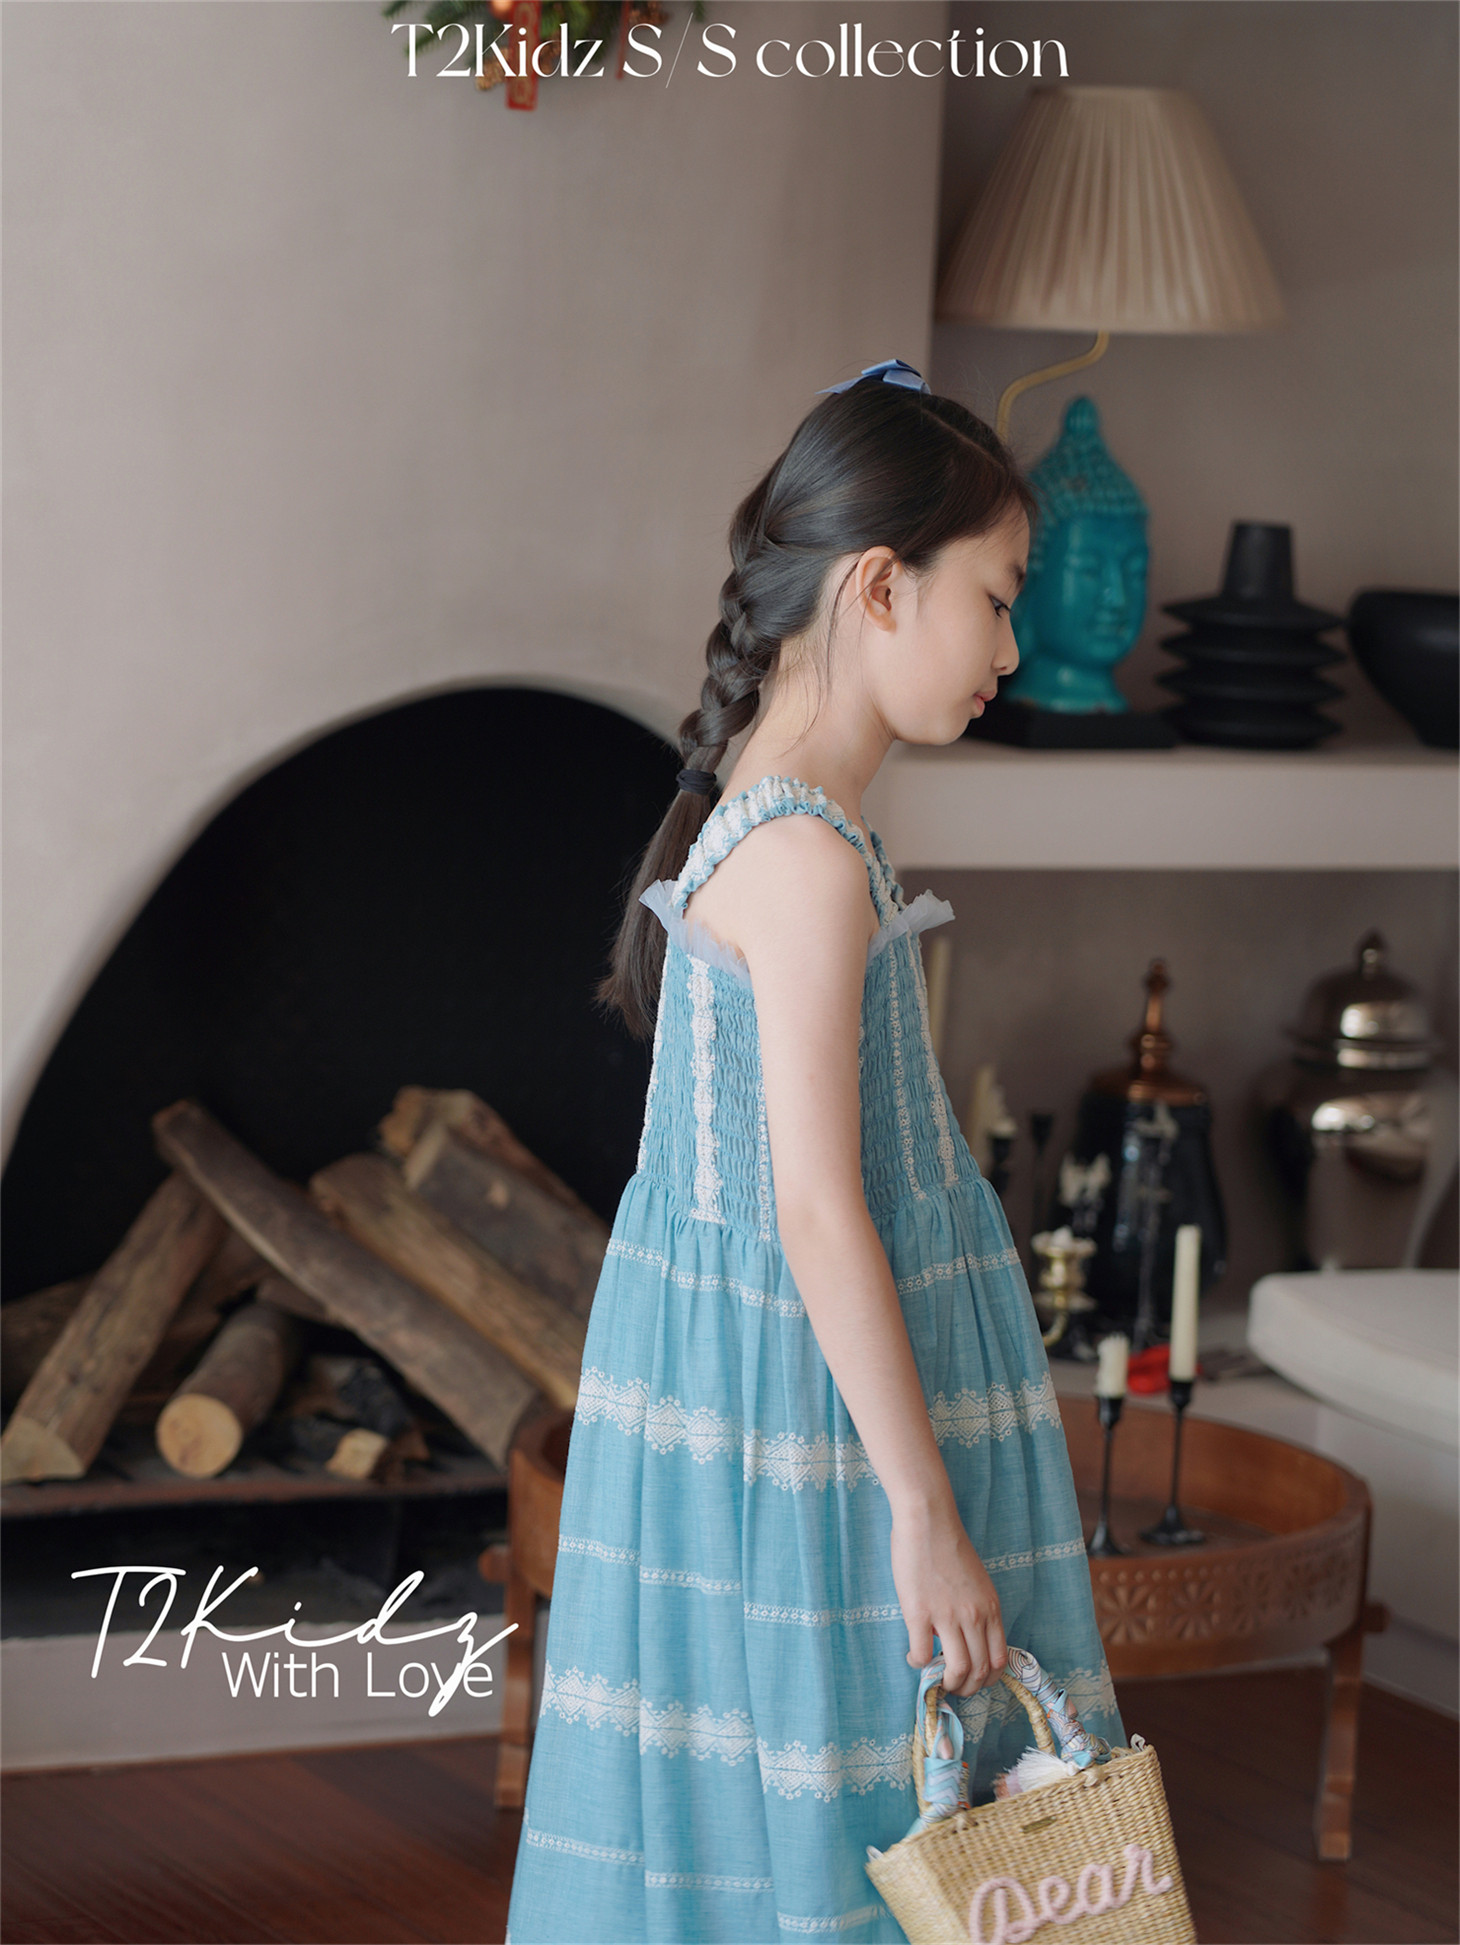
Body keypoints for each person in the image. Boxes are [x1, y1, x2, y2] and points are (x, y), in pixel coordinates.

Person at [504, 359, 1126, 1945]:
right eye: (997, 599)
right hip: (825, 1417)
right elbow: (815, 1202)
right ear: (879, 585)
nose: (1011, 648)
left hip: (799, 1380)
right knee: (870, 1801)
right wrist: (924, 1510)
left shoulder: (783, 820)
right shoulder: (803, 855)